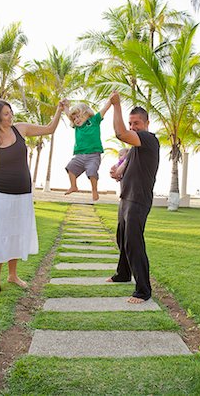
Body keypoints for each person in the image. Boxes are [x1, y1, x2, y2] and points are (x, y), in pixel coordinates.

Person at [0, 98, 65, 295]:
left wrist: (59, 110)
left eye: (11, 112)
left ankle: (13, 275)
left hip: (22, 194)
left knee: (16, 233)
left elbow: (49, 129)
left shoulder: (20, 129)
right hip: (0, 194)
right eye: (6, 114)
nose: (11, 116)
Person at [106, 91, 160, 304]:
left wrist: (116, 106)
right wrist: (118, 172)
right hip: (126, 197)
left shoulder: (148, 139)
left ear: (146, 123)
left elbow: (120, 134)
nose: (132, 127)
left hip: (138, 199)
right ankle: (123, 274)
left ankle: (143, 291)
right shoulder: (134, 148)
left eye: (136, 123)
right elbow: (125, 166)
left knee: (134, 243)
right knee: (122, 238)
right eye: (130, 123)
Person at [64, 99, 111, 201]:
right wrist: (65, 106)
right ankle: (73, 186)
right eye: (74, 118)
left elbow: (104, 109)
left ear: (86, 114)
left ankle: (94, 190)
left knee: (92, 171)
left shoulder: (94, 120)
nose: (76, 120)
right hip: (79, 156)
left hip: (93, 155)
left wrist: (110, 100)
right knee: (70, 168)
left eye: (78, 116)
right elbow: (68, 114)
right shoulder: (77, 127)